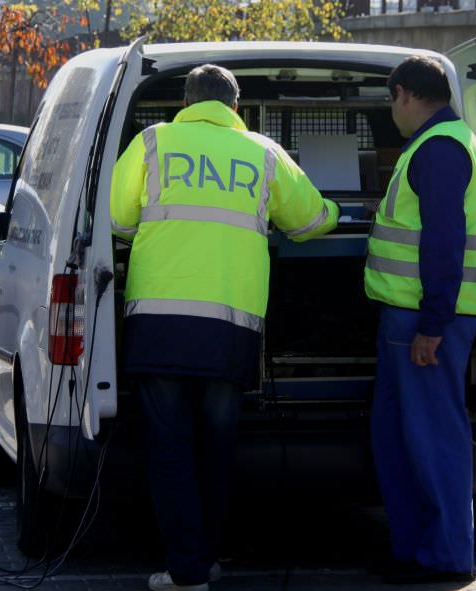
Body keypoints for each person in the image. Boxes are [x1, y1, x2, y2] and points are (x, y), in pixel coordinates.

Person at [110, 64, 340, 591]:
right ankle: (203, 559)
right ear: (235, 107)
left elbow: (119, 221)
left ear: (186, 102)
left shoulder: (152, 142)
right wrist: (332, 209)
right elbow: (307, 222)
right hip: (229, 327)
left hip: (160, 320)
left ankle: (187, 569)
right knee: (216, 447)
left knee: (169, 448)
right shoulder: (262, 151)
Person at [364, 55, 476, 583]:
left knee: (430, 437)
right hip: (417, 318)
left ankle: (442, 557)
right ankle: (416, 550)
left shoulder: (439, 148)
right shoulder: (446, 142)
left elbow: (445, 242)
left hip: (426, 321)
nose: (392, 112)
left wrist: (432, 326)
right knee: (400, 436)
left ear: (403, 94)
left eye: (391, 102)